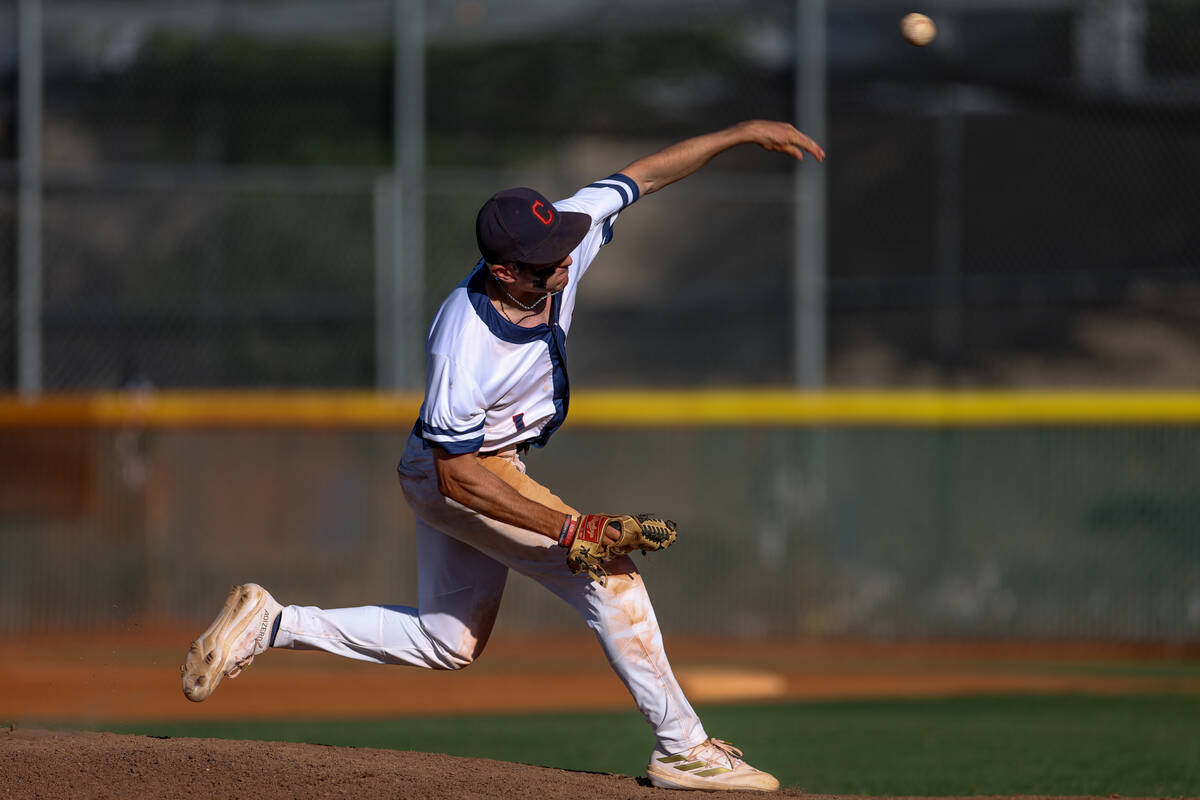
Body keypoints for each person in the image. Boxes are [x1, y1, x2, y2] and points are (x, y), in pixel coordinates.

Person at [181, 119, 824, 792]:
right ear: (505, 270)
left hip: (483, 465)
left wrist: (742, 133)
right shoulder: (464, 347)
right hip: (457, 474)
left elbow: (647, 175)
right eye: (548, 260)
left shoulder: (557, 244)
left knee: (447, 642)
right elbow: (459, 475)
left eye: (563, 245)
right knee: (612, 577)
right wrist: (570, 531)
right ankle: (683, 748)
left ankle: (273, 623)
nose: (566, 260)